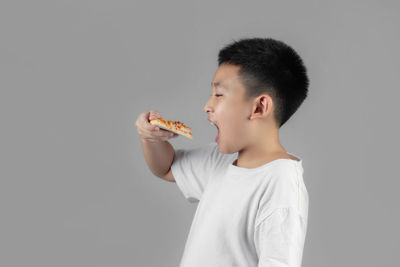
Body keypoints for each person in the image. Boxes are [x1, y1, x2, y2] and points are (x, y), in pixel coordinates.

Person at [136, 37, 309, 267]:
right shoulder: (221, 160)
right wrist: (150, 138)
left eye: (219, 94)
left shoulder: (281, 185)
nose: (207, 105)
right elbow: (166, 168)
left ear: (259, 107)